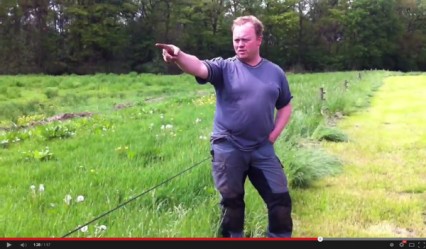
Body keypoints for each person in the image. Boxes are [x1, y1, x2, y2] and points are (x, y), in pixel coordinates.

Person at [155, 15, 293, 238]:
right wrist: (178, 55)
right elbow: (198, 66)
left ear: (259, 40)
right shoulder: (224, 68)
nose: (239, 44)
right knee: (232, 204)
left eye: (245, 40)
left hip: (262, 149)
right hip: (228, 148)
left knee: (280, 199)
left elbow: (285, 106)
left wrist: (274, 135)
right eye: (236, 40)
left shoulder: (275, 72)